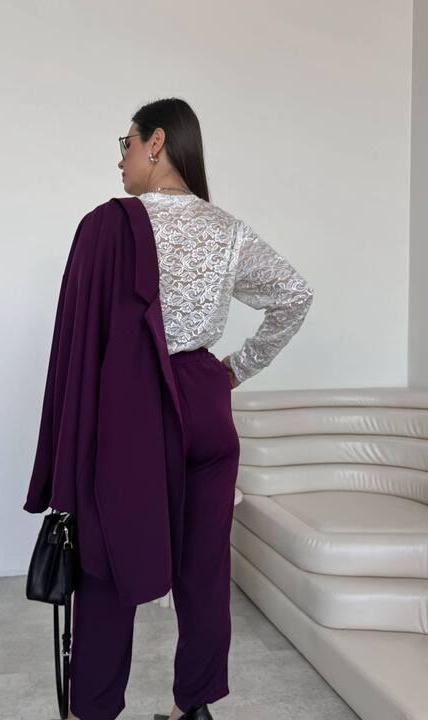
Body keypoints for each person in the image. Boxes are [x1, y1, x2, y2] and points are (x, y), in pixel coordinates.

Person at [63, 97, 314, 720]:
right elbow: (295, 294)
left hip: (133, 405)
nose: (120, 159)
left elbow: (86, 341)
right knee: (204, 566)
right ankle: (193, 707)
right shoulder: (226, 228)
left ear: (156, 142)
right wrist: (235, 369)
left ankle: (94, 709)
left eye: (125, 144)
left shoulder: (109, 226)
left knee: (109, 557)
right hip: (204, 401)